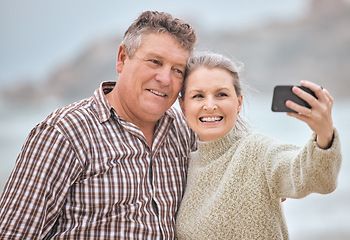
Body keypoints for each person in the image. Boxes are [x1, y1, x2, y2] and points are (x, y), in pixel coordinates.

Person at [0, 11, 197, 239]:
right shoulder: (64, 132)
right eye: (155, 61)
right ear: (122, 58)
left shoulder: (185, 132)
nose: (165, 79)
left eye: (177, 70)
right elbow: (13, 233)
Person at [176, 52, 342, 239]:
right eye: (198, 96)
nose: (210, 105)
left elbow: (316, 178)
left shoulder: (258, 151)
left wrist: (324, 132)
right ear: (183, 106)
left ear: (238, 102)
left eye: (221, 94)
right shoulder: (183, 164)